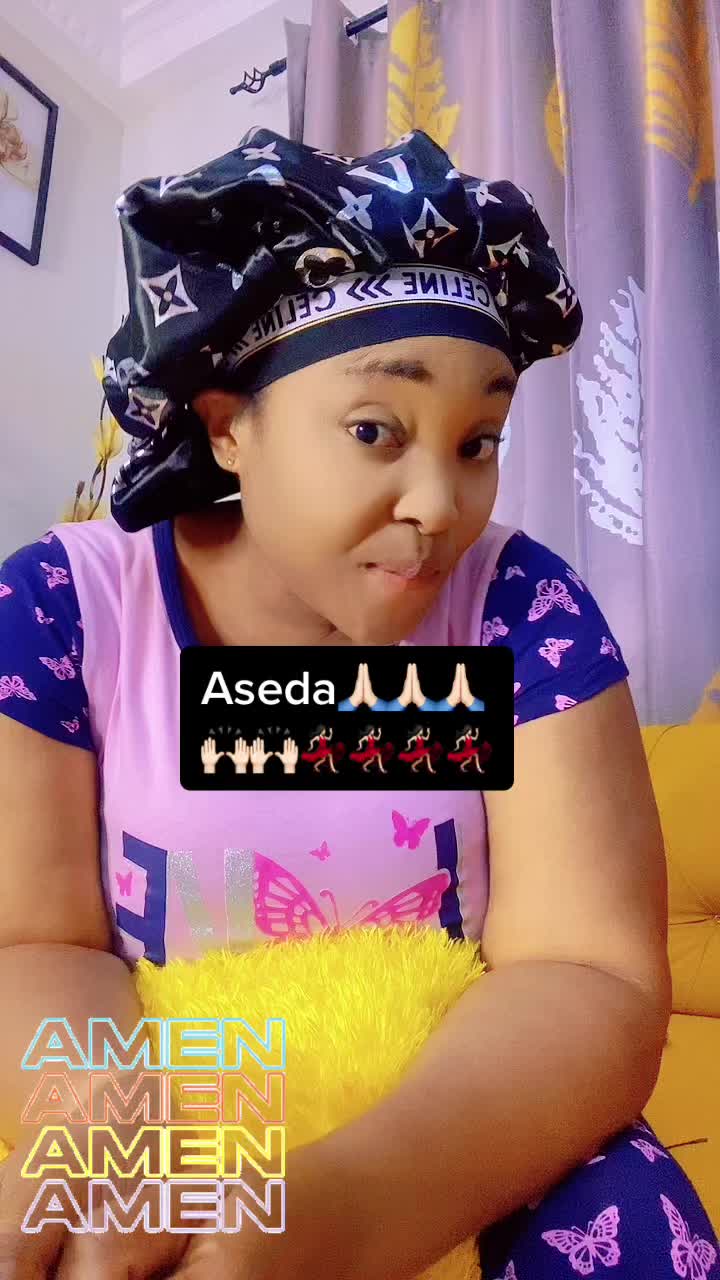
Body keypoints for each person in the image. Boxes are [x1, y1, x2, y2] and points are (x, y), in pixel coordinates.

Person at [0, 126, 716, 1280]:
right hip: (148, 1077)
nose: (441, 503)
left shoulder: (518, 604)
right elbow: (35, 940)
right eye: (376, 429)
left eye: (478, 440)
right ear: (229, 424)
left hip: (466, 1102)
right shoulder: (63, 605)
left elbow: (589, 972)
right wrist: (122, 1141)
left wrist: (338, 1212)